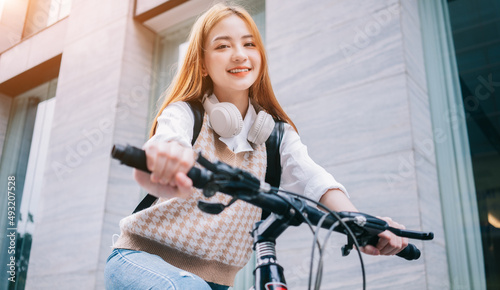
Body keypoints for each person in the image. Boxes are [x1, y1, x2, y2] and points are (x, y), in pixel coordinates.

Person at [104, 3, 408, 289]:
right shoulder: (187, 114)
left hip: (213, 283)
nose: (239, 55)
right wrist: (167, 157)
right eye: (223, 46)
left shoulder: (276, 136)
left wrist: (361, 223)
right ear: (203, 65)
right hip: (141, 260)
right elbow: (168, 141)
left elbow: (314, 180)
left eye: (249, 44)